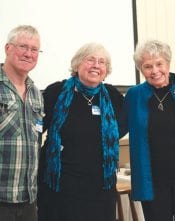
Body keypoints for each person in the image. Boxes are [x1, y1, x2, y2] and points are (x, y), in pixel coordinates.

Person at [120, 40, 175, 221]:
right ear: (141, 70)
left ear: (168, 63)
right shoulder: (134, 95)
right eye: (147, 66)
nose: (154, 71)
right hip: (153, 183)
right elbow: (116, 130)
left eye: (159, 64)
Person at [37, 42, 124, 221]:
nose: (96, 65)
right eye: (90, 60)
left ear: (106, 70)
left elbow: (120, 129)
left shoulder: (113, 97)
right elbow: (35, 130)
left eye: (102, 62)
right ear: (77, 65)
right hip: (60, 187)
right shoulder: (57, 92)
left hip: (100, 188)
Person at [0, 25, 43, 221]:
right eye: (23, 47)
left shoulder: (35, 93)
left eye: (34, 50)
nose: (29, 54)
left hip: (28, 201)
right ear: (8, 48)